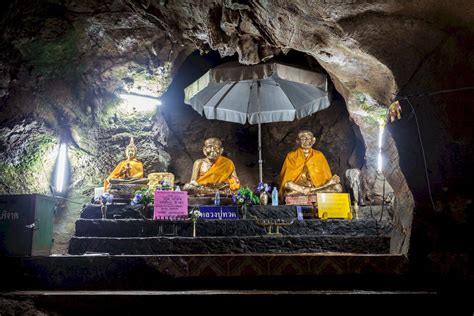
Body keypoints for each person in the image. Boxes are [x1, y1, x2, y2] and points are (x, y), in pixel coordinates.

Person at [279, 130, 342, 198]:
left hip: (315, 187)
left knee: (338, 187)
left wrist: (332, 180)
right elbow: (287, 178)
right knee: (288, 185)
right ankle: (315, 192)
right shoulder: (291, 156)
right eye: (303, 138)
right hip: (299, 187)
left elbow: (326, 176)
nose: (306, 141)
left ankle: (310, 192)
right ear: (297, 141)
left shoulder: (319, 155)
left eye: (309, 138)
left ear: (313, 140)